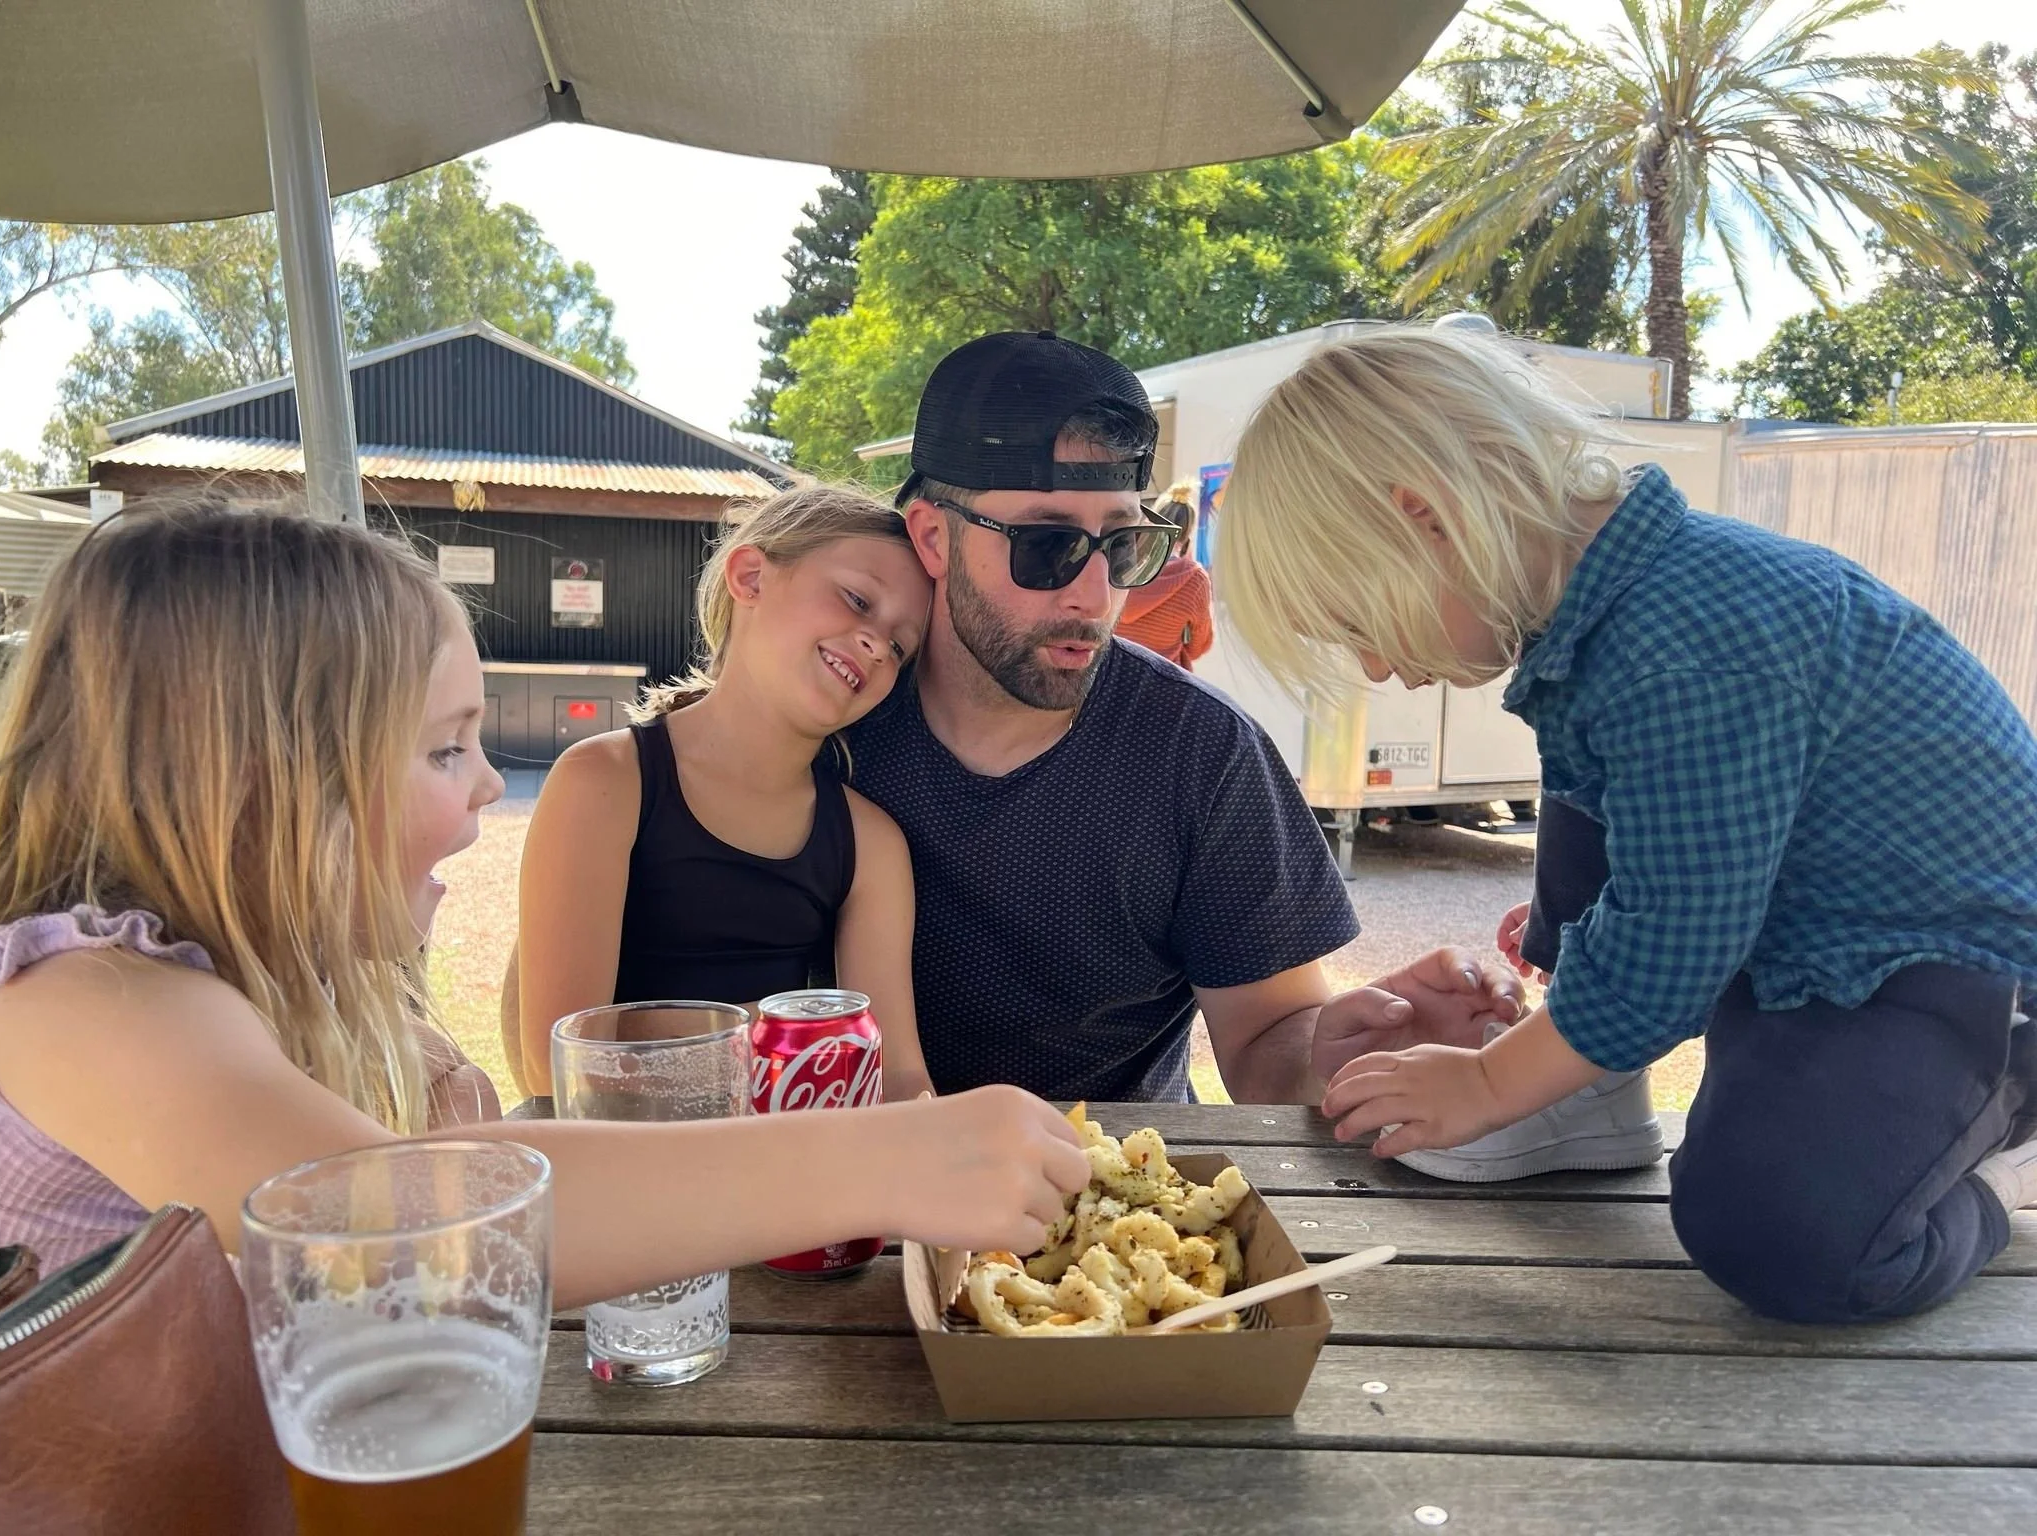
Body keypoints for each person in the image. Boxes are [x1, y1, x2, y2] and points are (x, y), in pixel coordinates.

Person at [0, 498, 1087, 1299]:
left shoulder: (226, 999)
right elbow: (406, 1224)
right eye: (439, 750)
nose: (482, 783)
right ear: (255, 776)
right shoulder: (83, 997)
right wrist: (889, 1158)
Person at [1215, 322, 2037, 1324]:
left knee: (1775, 1232)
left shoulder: (1691, 633)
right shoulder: (1616, 615)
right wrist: (1567, 976)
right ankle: (1586, 1088)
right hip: (1802, 946)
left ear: (1422, 517)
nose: (1378, 671)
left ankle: (1999, 1166)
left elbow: (1675, 933)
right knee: (1586, 790)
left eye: (1355, 624)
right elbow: (1651, 845)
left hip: (1946, 972)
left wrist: (1486, 1081)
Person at [847, 329, 1527, 1107]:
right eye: (1046, 546)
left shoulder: (1199, 750)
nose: (1095, 594)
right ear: (934, 537)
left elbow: (1267, 1044)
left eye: (1126, 544)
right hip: (863, 1189)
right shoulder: (835, 724)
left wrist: (1344, 1053)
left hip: (1124, 1203)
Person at [512, 484, 934, 1102]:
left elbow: (897, 1075)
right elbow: (556, 1070)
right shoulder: (605, 782)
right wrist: (785, 1025)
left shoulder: (870, 842)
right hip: (627, 1172)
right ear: (752, 575)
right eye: (856, 599)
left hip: (791, 1175)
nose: (876, 642)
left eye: (901, 645)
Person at [1115, 480, 1214, 669]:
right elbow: (1198, 647)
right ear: (1188, 533)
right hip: (1163, 686)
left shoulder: (1120, 562)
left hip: (1110, 679)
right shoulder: (1195, 580)